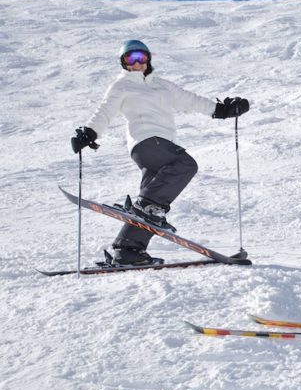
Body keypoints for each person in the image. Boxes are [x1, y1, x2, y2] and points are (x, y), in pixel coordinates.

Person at [71, 39, 249, 266]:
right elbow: (105, 111)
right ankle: (145, 207)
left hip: (162, 147)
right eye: (131, 58)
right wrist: (89, 132)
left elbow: (190, 100)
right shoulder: (122, 86)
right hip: (146, 143)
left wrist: (222, 110)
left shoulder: (162, 85)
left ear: (148, 59)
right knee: (185, 165)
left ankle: (129, 250)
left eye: (141, 57)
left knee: (154, 204)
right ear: (124, 63)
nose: (137, 63)